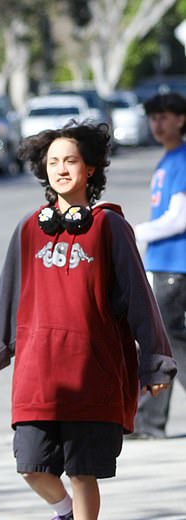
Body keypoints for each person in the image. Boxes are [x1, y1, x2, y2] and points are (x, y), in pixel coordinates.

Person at [0, 121, 176, 520]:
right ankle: (64, 516)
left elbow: (139, 300)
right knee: (30, 464)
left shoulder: (110, 226)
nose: (61, 169)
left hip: (94, 371)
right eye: (53, 162)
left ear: (90, 169)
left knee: (84, 471)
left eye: (70, 161)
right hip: (39, 373)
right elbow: (9, 299)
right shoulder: (28, 229)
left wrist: (155, 363)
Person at [131, 92, 186, 439]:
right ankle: (147, 421)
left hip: (174, 265)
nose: (157, 124)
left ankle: (149, 423)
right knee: (168, 342)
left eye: (164, 117)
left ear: (181, 119)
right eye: (153, 118)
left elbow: (179, 217)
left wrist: (134, 231)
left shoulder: (181, 159)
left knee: (163, 344)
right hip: (163, 263)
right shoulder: (167, 159)